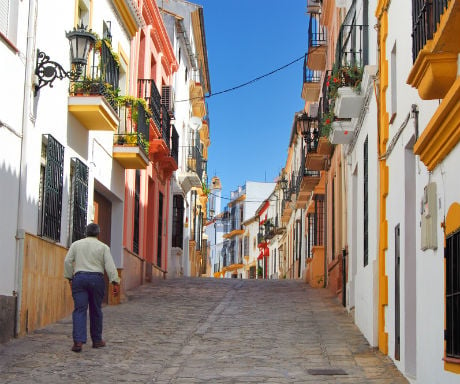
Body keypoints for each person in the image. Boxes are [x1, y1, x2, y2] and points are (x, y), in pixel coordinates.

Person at [64, 223, 120, 353]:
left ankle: (78, 341)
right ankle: (97, 340)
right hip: (96, 279)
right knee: (96, 309)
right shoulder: (103, 247)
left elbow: (67, 261)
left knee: (79, 310)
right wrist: (115, 281)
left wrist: (69, 277)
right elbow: (110, 265)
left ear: (86, 232)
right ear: (98, 233)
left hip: (79, 278)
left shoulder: (76, 245)